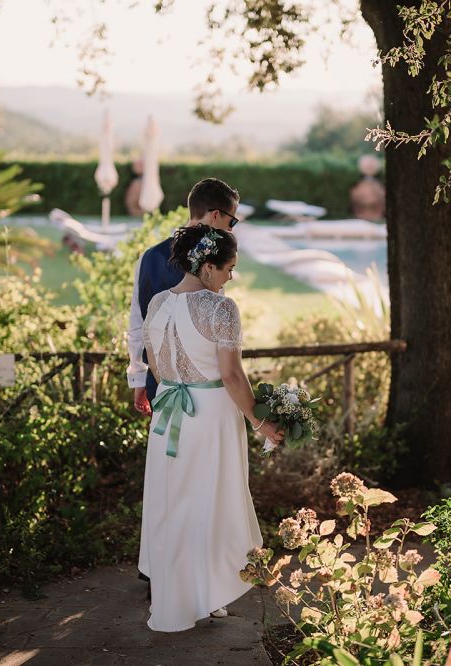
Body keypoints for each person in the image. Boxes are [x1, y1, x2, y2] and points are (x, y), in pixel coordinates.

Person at [137, 225, 284, 632]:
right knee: (211, 502)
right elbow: (232, 376)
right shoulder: (221, 309)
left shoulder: (157, 304)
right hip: (211, 417)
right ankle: (206, 593)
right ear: (207, 266)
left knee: (174, 505)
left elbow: (154, 362)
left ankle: (177, 598)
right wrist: (260, 422)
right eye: (229, 268)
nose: (231, 277)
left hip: (169, 415)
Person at [127, 178, 242, 414]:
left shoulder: (148, 257)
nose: (231, 229)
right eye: (232, 221)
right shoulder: (214, 264)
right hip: (201, 388)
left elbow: (137, 322)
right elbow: (140, 319)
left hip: (163, 384)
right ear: (215, 216)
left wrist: (139, 378)